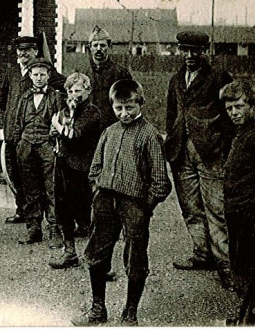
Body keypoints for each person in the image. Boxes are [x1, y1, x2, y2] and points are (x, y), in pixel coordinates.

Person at [73, 80, 171, 326]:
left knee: (135, 258)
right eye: (119, 108)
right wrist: (98, 191)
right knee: (97, 253)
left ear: (140, 103)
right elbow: (95, 167)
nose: (124, 114)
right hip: (105, 200)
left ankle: (130, 312)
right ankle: (98, 309)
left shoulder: (150, 135)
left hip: (134, 204)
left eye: (129, 107)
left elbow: (160, 180)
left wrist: (144, 206)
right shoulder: (109, 132)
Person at [165, 31, 234, 290]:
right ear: (179, 50)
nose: (190, 56)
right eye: (185, 50)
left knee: (216, 210)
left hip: (211, 154)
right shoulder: (175, 80)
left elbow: (229, 116)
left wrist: (222, 147)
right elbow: (171, 114)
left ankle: (225, 265)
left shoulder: (219, 77)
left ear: (204, 51)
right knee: (191, 209)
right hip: (181, 153)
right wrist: (172, 141)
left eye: (195, 51)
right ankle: (202, 254)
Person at [0, 35, 65, 224]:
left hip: (39, 137)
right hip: (14, 134)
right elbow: (1, 100)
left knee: (42, 179)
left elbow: (67, 87)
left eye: (28, 49)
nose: (23, 53)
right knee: (18, 176)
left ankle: (46, 219)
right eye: (20, 50)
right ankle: (22, 211)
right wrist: (14, 117)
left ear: (36, 51)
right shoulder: (11, 73)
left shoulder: (43, 73)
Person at [218, 81, 255, 325]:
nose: (234, 113)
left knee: (252, 268)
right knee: (240, 263)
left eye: (239, 106)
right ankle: (245, 314)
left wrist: (254, 210)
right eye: (229, 109)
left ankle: (251, 318)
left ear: (254, 106)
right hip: (236, 211)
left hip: (250, 214)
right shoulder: (241, 133)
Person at [48, 72, 102, 269]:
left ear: (87, 90)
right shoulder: (66, 110)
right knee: (63, 210)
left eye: (78, 90)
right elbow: (57, 135)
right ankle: (69, 252)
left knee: (85, 212)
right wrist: (53, 131)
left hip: (82, 168)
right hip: (63, 165)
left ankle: (96, 257)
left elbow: (75, 135)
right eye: (70, 90)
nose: (73, 94)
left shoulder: (92, 112)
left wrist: (57, 126)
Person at [14, 57, 64, 248]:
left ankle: (54, 229)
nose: (39, 78)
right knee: (30, 190)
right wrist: (19, 144)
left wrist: (54, 141)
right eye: (35, 75)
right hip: (26, 147)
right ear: (30, 76)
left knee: (52, 189)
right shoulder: (25, 97)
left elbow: (61, 122)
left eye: (43, 74)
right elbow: (18, 124)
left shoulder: (56, 97)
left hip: (47, 147)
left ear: (49, 75)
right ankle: (33, 229)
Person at [75, 25, 132, 130]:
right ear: (90, 47)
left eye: (102, 45)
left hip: (112, 128)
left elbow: (129, 103)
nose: (98, 49)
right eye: (95, 45)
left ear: (109, 46)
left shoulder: (121, 73)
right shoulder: (81, 72)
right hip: (86, 129)